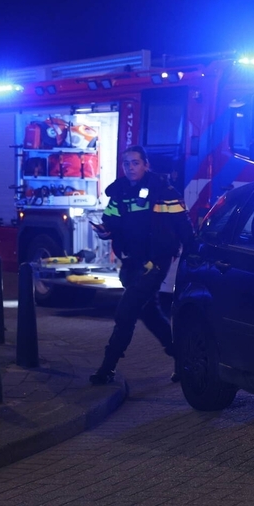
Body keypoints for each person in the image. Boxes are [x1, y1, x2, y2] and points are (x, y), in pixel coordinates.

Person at [90, 146, 194, 384]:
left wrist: (191, 256)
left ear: (146, 164)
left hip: (156, 262)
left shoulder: (164, 191)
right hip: (131, 262)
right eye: (126, 163)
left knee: (125, 312)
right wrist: (105, 231)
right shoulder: (120, 192)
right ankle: (183, 359)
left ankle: (106, 368)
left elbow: (183, 226)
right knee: (150, 314)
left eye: (135, 162)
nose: (130, 167)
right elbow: (111, 221)